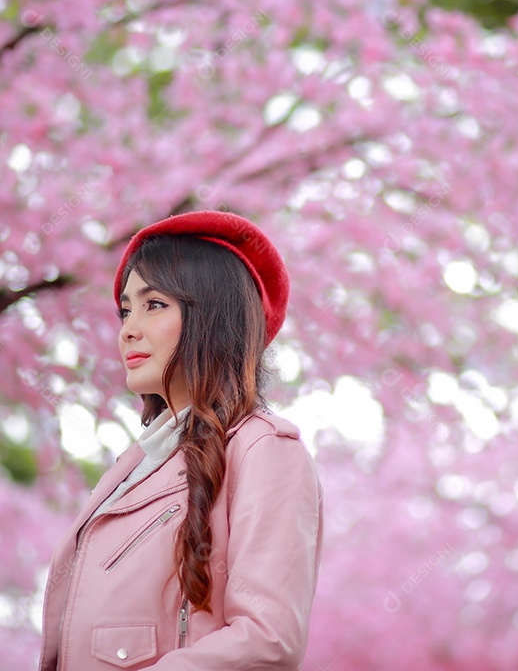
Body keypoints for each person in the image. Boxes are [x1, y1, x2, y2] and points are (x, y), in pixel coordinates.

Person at [38, 210, 324, 670]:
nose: (128, 328)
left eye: (154, 305)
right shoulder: (137, 463)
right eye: (126, 310)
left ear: (213, 315)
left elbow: (268, 639)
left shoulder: (265, 450)